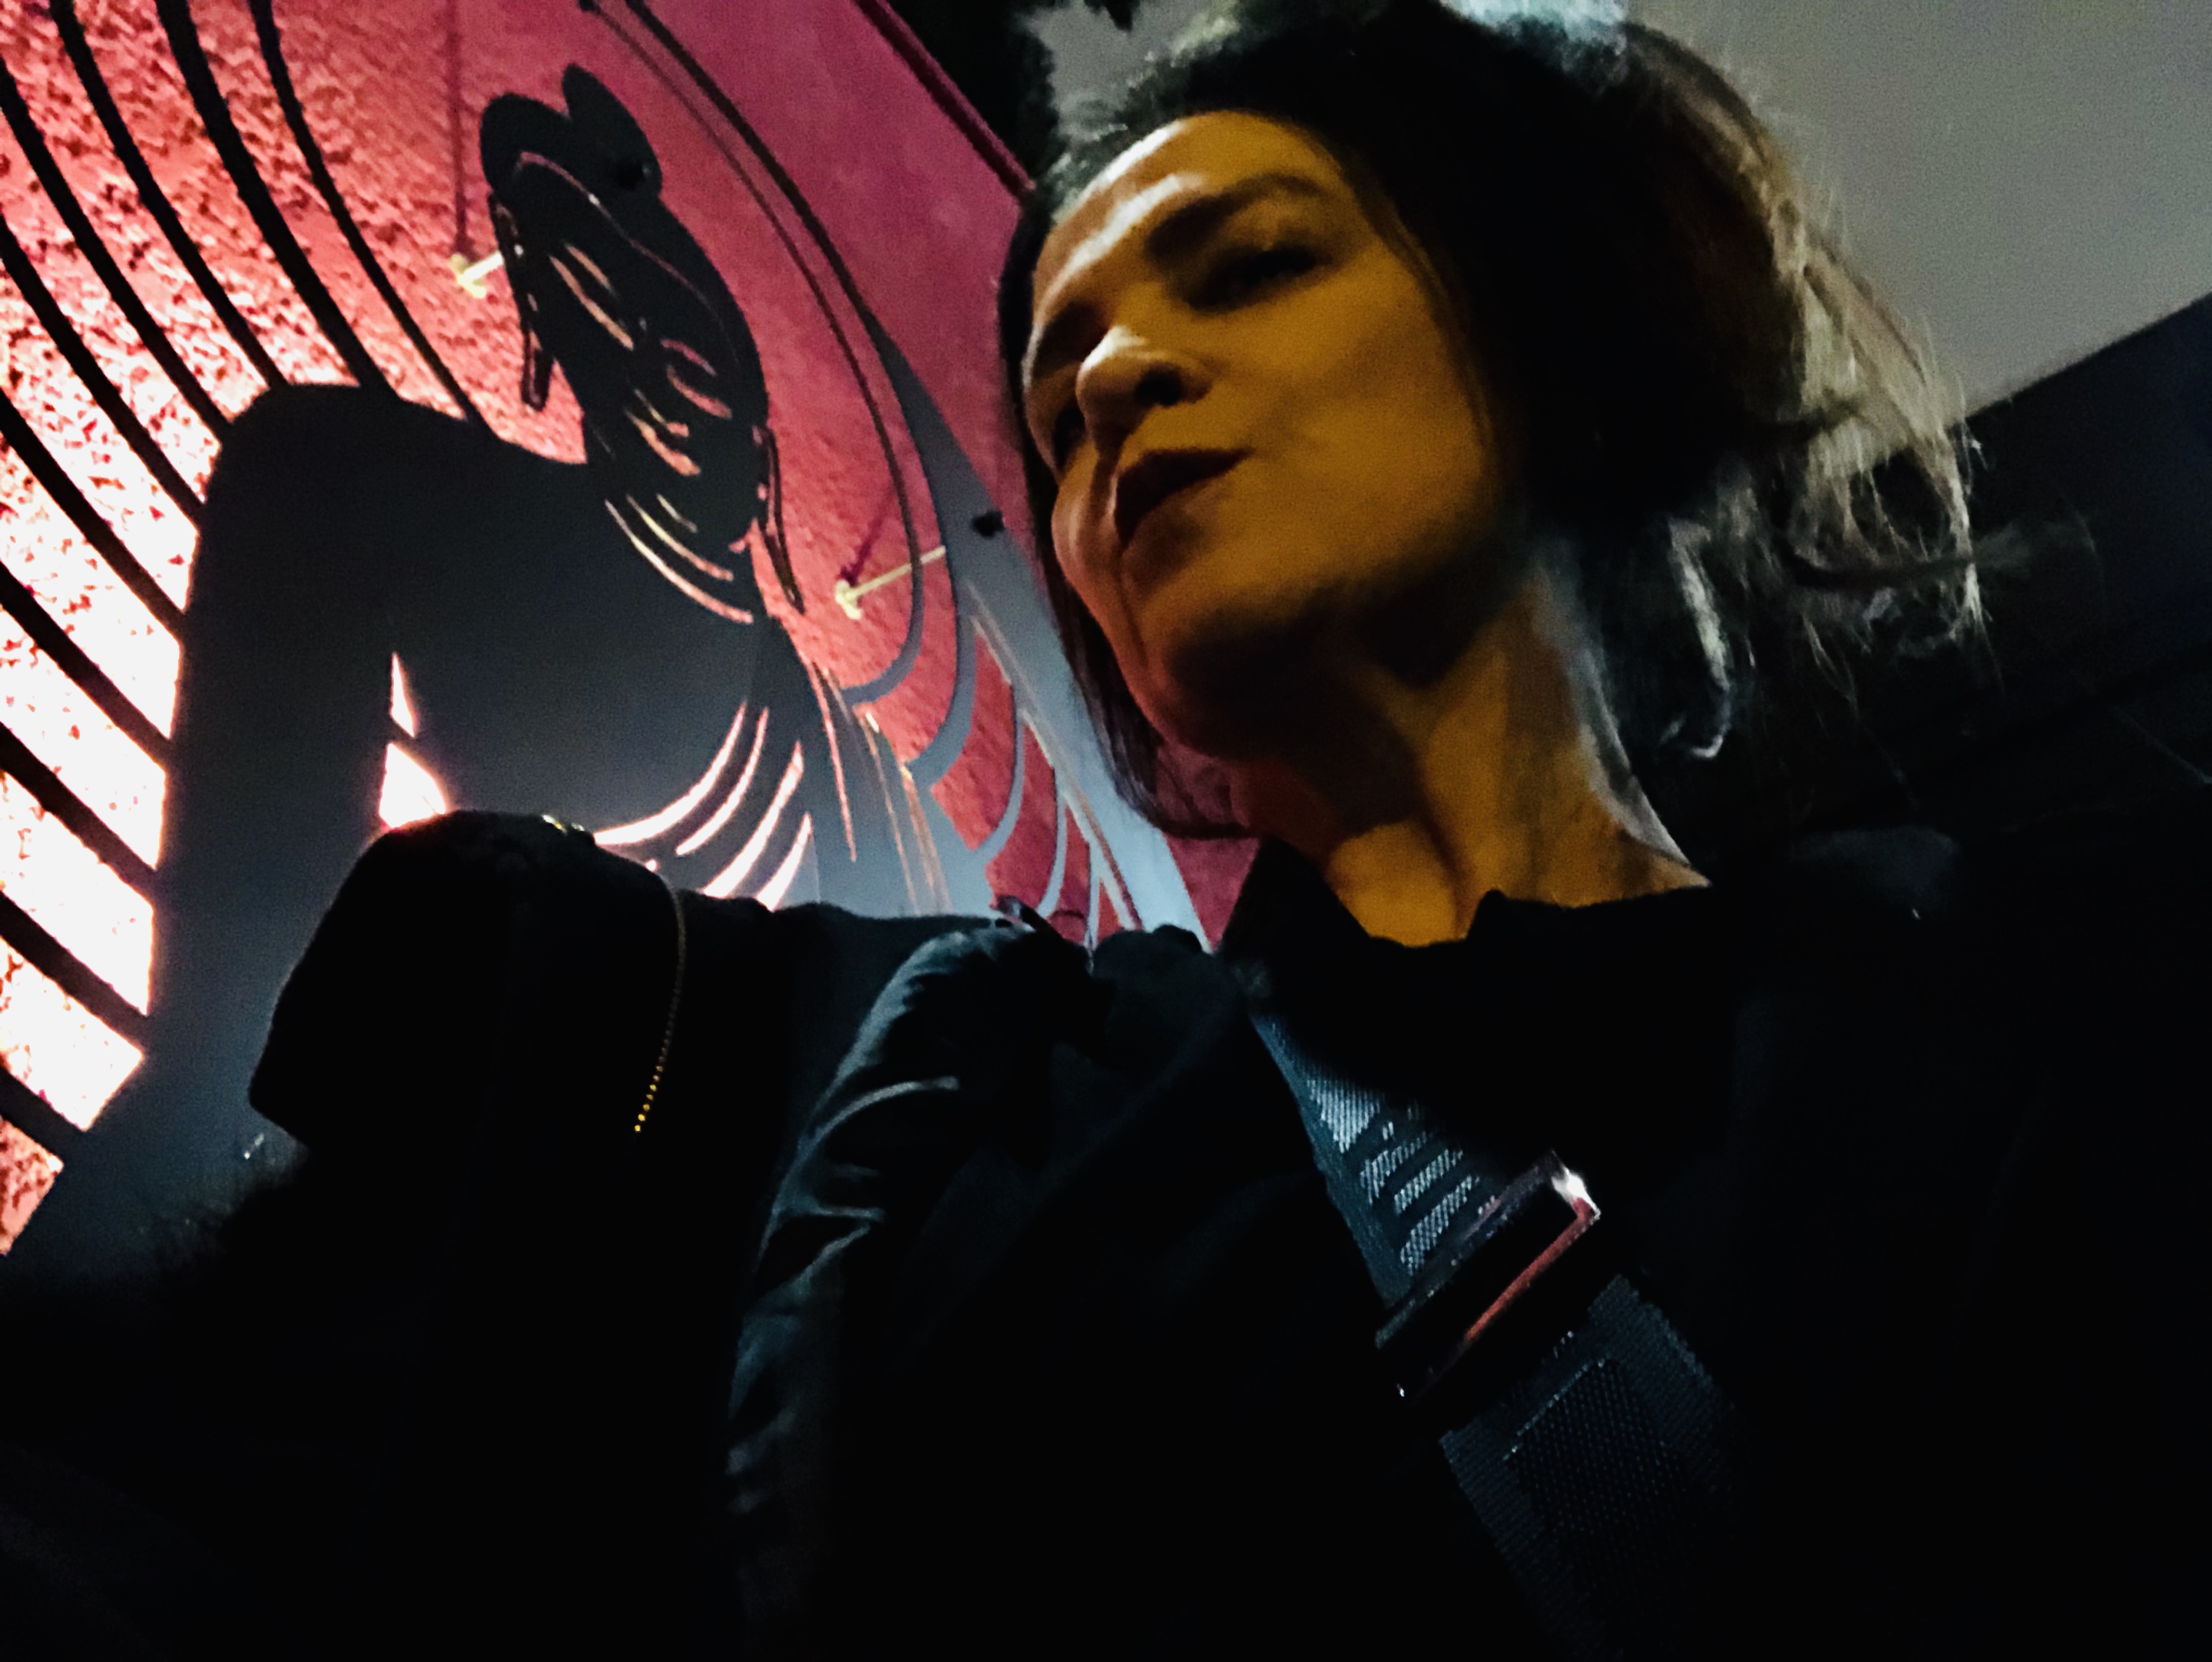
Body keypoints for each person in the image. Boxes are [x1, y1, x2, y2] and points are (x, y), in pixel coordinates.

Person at [3, 1, 2205, 1657]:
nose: (1122, 381)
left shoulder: (2009, 1054)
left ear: (1554, 332)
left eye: (1246, 267)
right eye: (1057, 405)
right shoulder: (904, 1087)